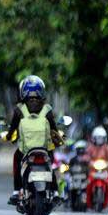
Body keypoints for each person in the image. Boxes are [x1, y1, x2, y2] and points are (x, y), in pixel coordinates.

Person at [5, 75, 64, 205]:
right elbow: (54, 130)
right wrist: (58, 140)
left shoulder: (19, 110)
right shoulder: (47, 110)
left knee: (16, 159)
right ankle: (54, 192)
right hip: (45, 149)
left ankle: (16, 191)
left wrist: (9, 137)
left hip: (25, 151)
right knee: (51, 165)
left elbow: (13, 129)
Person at [86, 126, 108, 209]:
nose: (99, 140)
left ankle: (107, 200)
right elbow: (86, 156)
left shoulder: (107, 147)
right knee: (88, 184)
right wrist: (87, 161)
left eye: (101, 138)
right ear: (94, 138)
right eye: (98, 138)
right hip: (93, 170)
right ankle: (88, 200)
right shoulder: (91, 147)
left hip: (104, 170)